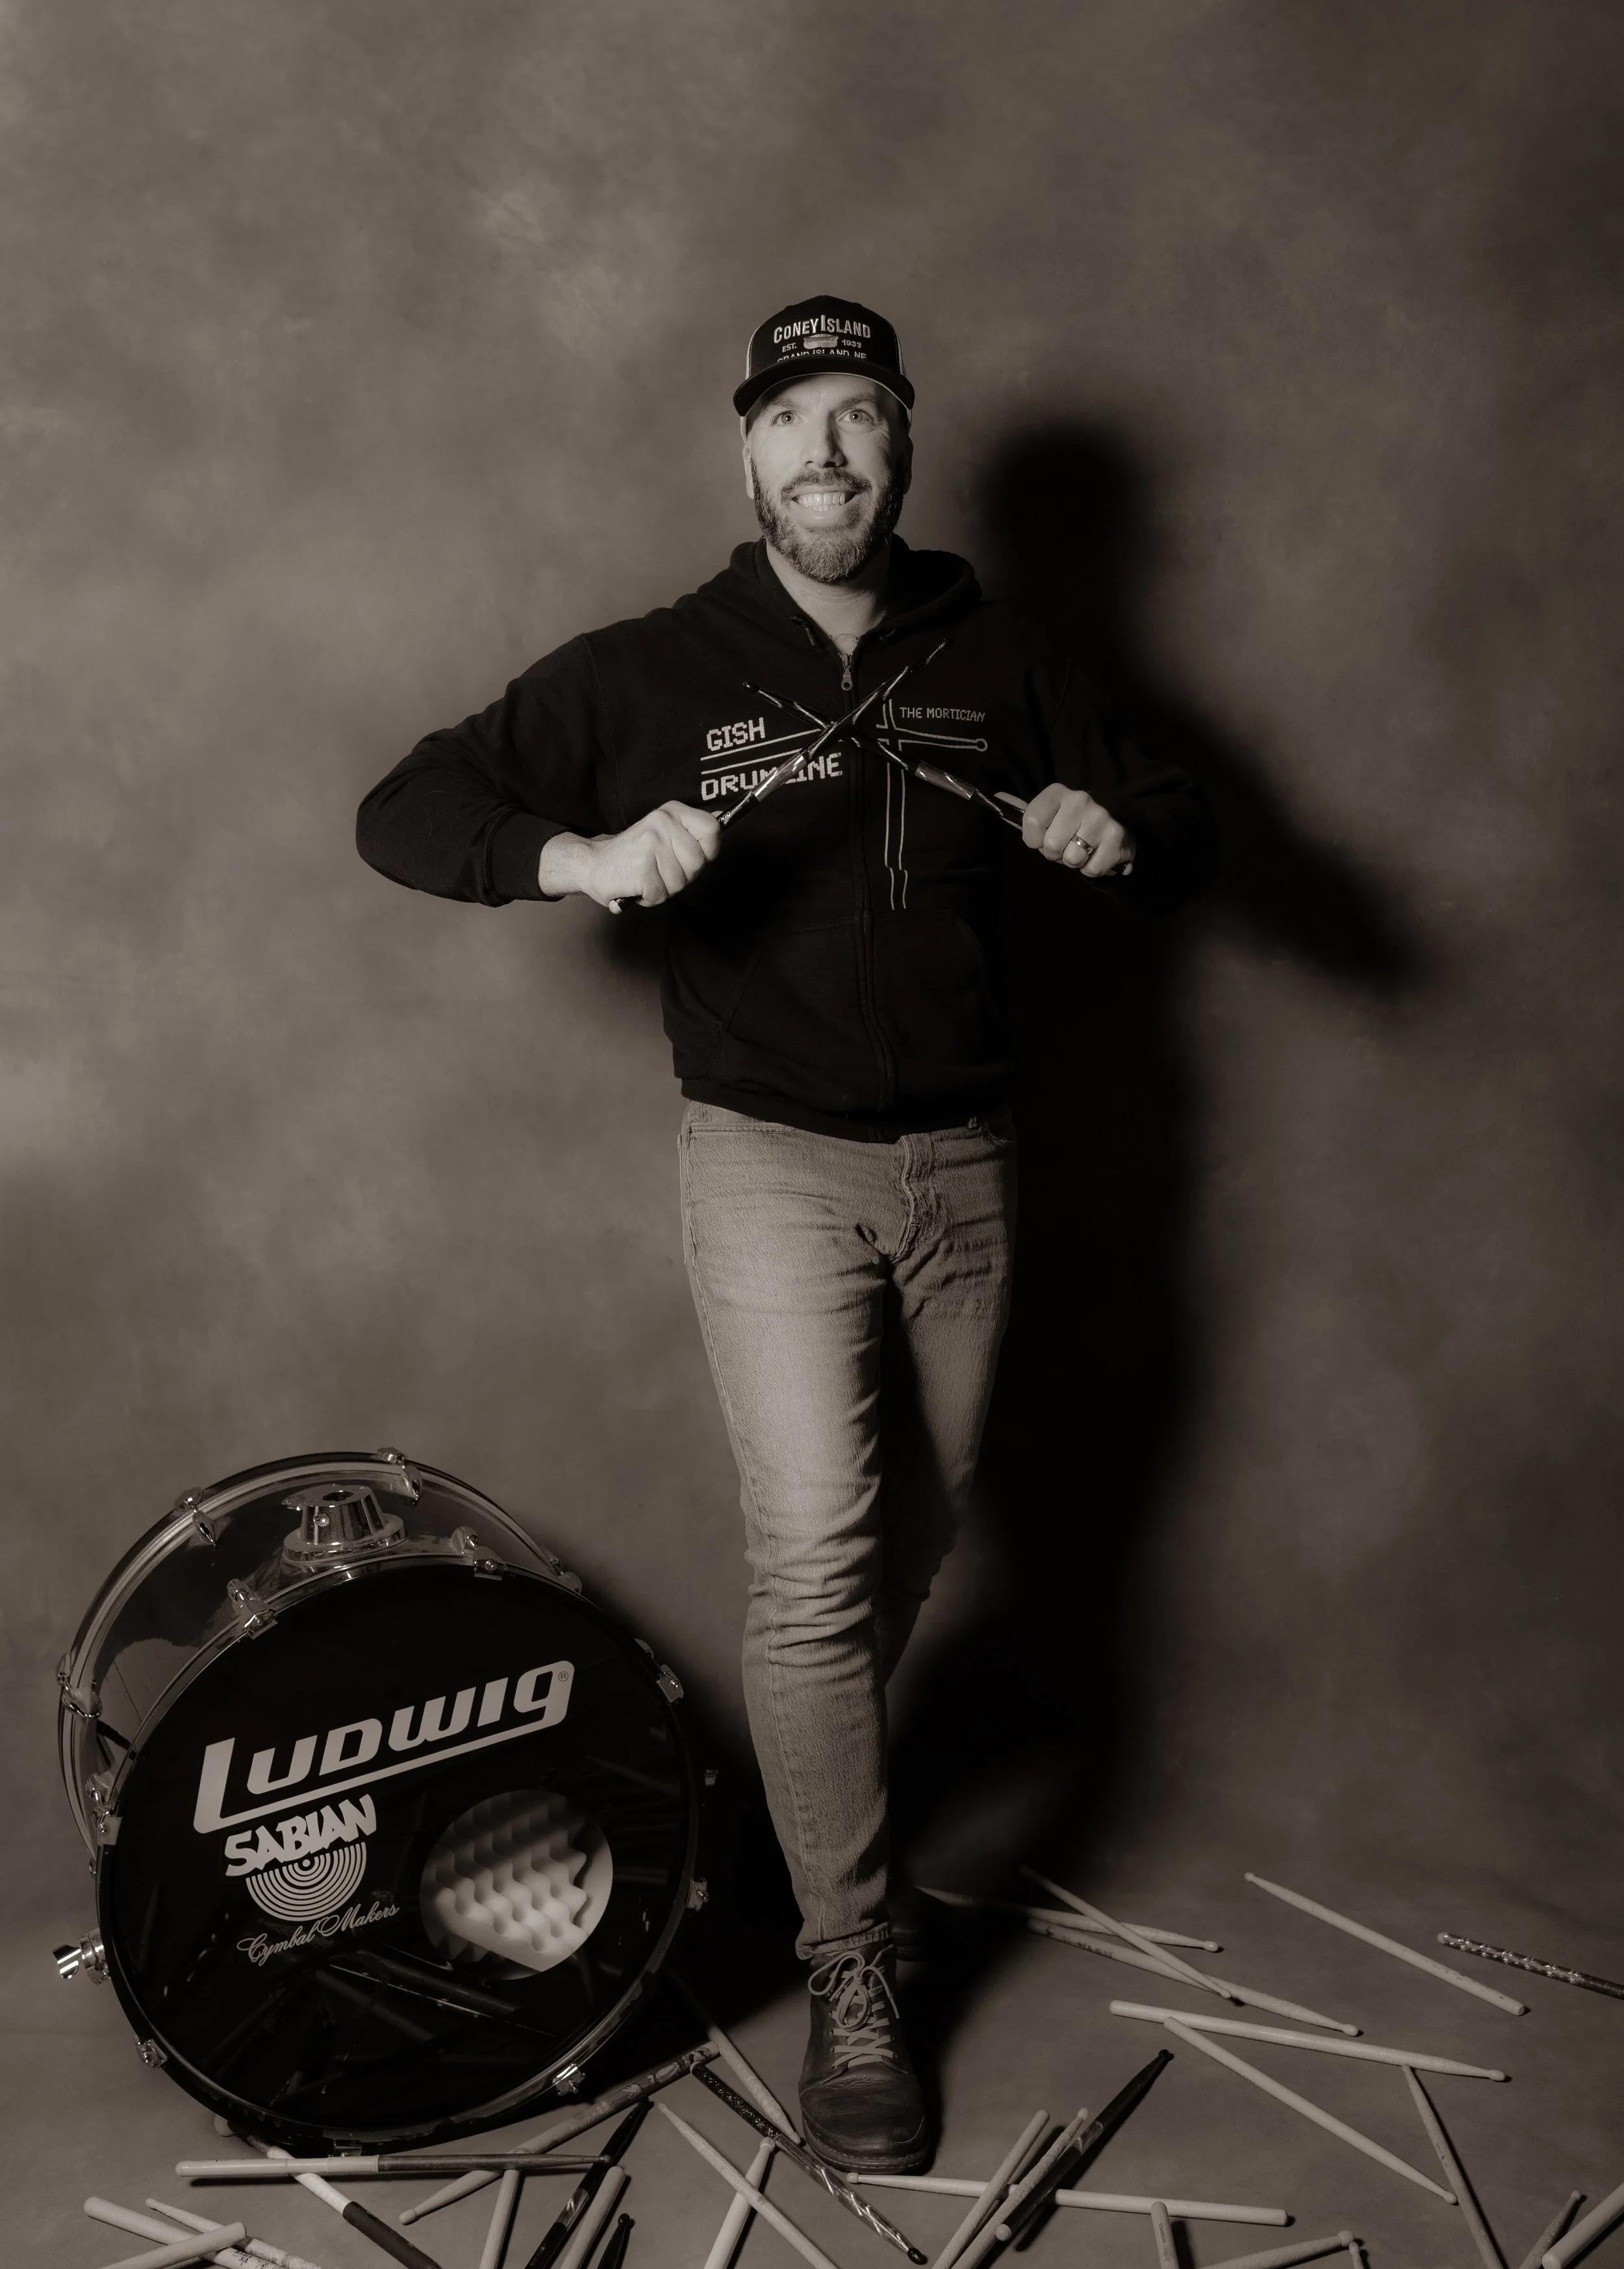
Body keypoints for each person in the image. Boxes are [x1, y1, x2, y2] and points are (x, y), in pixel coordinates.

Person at [356, 294, 1215, 2173]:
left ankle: (790, 1793)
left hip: (972, 1169)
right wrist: (577, 856)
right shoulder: (658, 668)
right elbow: (407, 806)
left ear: (903, 447)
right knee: (818, 1554)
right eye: (790, 419)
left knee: (913, 1528)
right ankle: (854, 1959)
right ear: (741, 454)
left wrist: (1108, 826)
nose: (824, 450)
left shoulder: (994, 651)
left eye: (858, 415)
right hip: (766, 1166)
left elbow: (1172, 804)